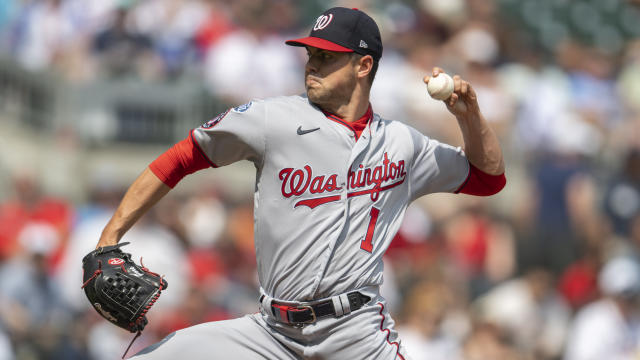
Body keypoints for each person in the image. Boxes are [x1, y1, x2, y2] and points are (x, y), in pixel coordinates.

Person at [93, 7, 505, 359]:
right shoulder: (273, 120)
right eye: (311, 53)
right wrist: (110, 235)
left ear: (363, 66)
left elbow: (487, 179)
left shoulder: (401, 144)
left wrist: (469, 116)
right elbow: (180, 158)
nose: (312, 63)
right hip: (270, 333)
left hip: (355, 334)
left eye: (327, 57)